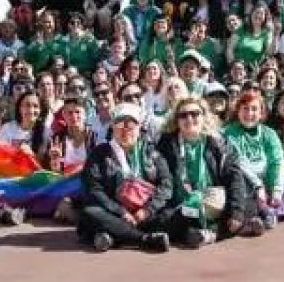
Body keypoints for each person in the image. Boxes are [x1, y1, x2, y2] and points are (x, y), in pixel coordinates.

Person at [152, 96, 259, 247]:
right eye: (183, 115)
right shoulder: (165, 145)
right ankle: (227, 230)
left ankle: (208, 234)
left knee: (247, 204)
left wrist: (236, 211)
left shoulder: (219, 142)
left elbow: (234, 175)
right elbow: (164, 182)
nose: (189, 118)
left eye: (195, 114)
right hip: (184, 205)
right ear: (177, 121)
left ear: (204, 117)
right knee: (163, 220)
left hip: (215, 201)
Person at [79, 104, 170, 252]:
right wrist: (121, 212)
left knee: (172, 212)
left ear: (139, 128)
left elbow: (166, 185)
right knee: (90, 212)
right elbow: (93, 188)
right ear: (112, 127)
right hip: (114, 214)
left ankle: (112, 236)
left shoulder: (152, 152)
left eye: (131, 124)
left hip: (146, 214)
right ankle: (144, 239)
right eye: (120, 123)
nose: (125, 129)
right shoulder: (99, 153)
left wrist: (147, 210)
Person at [221, 88, 284, 223]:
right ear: (238, 111)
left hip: (266, 184)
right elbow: (239, 162)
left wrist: (277, 189)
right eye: (245, 108)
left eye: (254, 109)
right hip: (244, 183)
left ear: (261, 113)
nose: (249, 113)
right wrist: (258, 186)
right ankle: (260, 213)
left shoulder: (269, 134)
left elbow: (277, 161)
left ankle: (265, 211)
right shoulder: (228, 133)